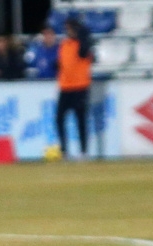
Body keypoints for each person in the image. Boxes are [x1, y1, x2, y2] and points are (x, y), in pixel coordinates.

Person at [56, 16, 93, 158]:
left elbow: (84, 51)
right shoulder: (65, 44)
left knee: (80, 119)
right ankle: (64, 150)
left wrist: (81, 32)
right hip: (65, 87)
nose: (68, 31)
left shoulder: (83, 45)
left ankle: (83, 151)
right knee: (59, 118)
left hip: (79, 87)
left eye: (70, 29)